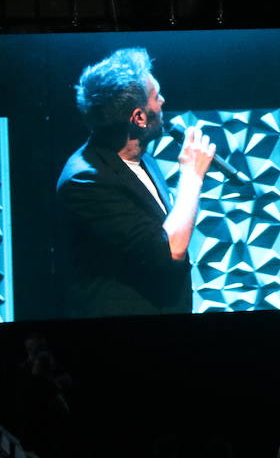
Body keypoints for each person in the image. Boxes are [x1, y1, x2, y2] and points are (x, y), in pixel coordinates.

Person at [55, 48, 216, 316]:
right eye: (156, 96)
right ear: (139, 117)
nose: (163, 101)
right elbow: (168, 252)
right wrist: (192, 175)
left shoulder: (142, 157)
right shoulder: (85, 180)